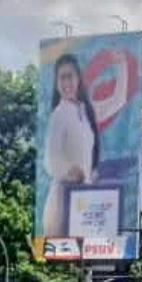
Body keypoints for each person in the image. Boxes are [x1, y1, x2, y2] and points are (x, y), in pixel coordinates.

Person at [42, 53, 99, 236]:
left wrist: (90, 173)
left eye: (70, 76)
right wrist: (70, 170)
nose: (67, 83)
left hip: (83, 202)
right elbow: (50, 160)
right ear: (56, 82)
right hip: (63, 201)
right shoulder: (59, 114)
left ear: (78, 78)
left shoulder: (82, 110)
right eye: (62, 77)